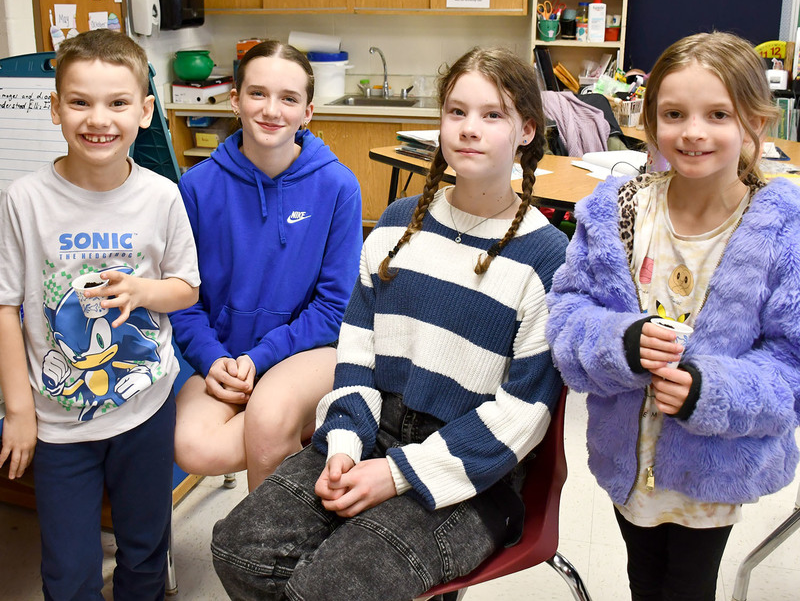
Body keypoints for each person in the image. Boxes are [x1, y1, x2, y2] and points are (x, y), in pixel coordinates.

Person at [210, 46, 568, 600]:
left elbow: (522, 416)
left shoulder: (545, 258)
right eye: (456, 112)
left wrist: (395, 474)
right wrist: (346, 446)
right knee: (240, 550)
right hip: (372, 433)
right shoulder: (396, 228)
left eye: (491, 115)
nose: (469, 129)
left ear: (526, 130)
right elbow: (355, 353)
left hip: (472, 472)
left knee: (326, 590)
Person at [545, 31, 800, 601]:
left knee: (687, 585)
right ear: (649, 120)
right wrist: (620, 343)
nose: (693, 131)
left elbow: (792, 363)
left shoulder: (781, 231)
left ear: (756, 123)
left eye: (718, 114)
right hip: (626, 459)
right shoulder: (619, 212)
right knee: (643, 577)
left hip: (712, 467)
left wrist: (709, 390)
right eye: (674, 113)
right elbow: (566, 314)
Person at [0, 29, 200, 599]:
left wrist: (142, 292)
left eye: (117, 103)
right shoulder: (25, 199)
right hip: (59, 422)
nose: (99, 119)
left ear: (144, 110)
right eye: (80, 101)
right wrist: (19, 411)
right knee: (68, 571)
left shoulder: (161, 195)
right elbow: (6, 304)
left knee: (144, 552)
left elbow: (186, 288)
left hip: (145, 409)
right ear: (56, 107)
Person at [170, 40, 362, 491]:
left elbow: (335, 308)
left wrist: (261, 358)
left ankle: (264, 556)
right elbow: (182, 298)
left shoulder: (337, 186)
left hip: (306, 352)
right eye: (257, 94)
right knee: (194, 446)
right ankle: (303, 441)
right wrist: (213, 358)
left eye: (288, 98)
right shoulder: (196, 188)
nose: (271, 110)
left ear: (308, 112)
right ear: (234, 100)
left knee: (269, 417)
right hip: (226, 356)